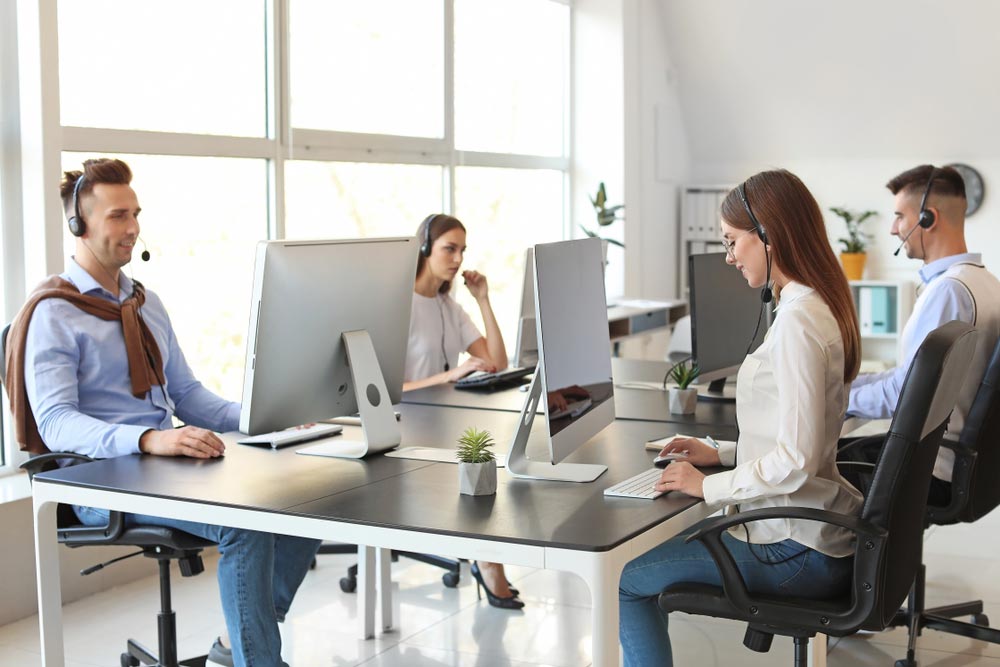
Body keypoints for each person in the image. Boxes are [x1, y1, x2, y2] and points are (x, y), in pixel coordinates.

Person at [6, 158, 320, 667]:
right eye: (116, 216)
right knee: (245, 523)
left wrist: (266, 417)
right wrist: (148, 439)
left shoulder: (145, 304)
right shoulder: (54, 312)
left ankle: (241, 639)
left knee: (306, 494)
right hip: (95, 481)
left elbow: (190, 396)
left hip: (160, 470)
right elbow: (57, 422)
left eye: (135, 213)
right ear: (78, 226)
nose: (132, 228)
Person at [617, 170, 864, 667]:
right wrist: (721, 454)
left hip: (795, 548)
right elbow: (803, 441)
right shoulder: (815, 305)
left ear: (769, 236)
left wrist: (707, 486)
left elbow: (794, 461)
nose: (728, 257)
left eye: (732, 242)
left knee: (625, 579)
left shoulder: (797, 323)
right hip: (816, 534)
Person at [402, 213, 523, 610]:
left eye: (462, 250)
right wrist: (450, 375)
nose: (457, 259)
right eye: (448, 249)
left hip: (443, 418)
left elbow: (496, 361)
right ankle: (487, 560)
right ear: (424, 250)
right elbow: (385, 390)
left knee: (492, 460)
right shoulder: (397, 305)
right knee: (481, 467)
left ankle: (486, 557)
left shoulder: (447, 305)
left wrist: (483, 299)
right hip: (407, 426)